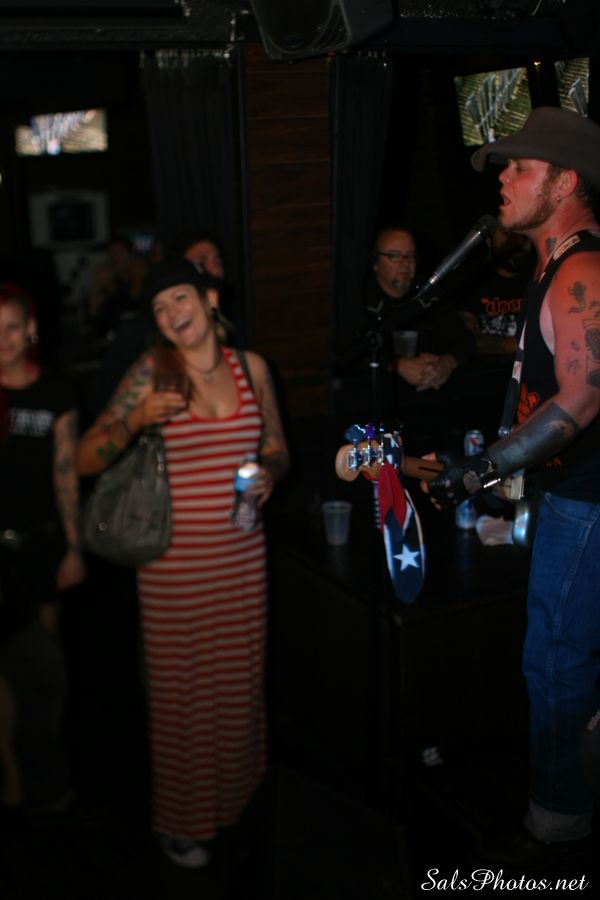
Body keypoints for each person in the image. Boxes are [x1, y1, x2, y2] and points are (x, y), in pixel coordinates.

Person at [421, 106, 600, 863]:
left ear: (564, 182)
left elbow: (581, 399)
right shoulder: (554, 266)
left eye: (520, 168)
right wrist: (501, 465)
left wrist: (481, 469)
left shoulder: (582, 270)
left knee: (557, 660)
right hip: (572, 495)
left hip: (588, 501)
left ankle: (556, 831)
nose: (503, 180)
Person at [75, 259, 290, 868]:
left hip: (243, 560)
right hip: (173, 567)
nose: (171, 313)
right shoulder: (154, 371)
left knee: (240, 688)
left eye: (179, 297)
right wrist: (135, 420)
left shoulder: (252, 369)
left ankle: (237, 804)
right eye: (160, 307)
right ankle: (180, 822)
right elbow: (86, 457)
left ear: (209, 297)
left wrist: (270, 474)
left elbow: (276, 446)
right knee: (182, 699)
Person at [0, 282, 86, 812]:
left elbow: (65, 475)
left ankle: (44, 761)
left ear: (29, 329)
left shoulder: (55, 392)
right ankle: (11, 773)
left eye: (11, 326)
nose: (3, 339)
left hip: (41, 547)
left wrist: (75, 548)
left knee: (46, 668)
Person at [333, 225, 475, 452]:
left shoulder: (429, 294)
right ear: (376, 262)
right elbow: (345, 354)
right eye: (394, 256)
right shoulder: (359, 300)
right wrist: (396, 365)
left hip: (430, 405)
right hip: (374, 410)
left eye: (410, 256)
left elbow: (465, 341)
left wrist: (447, 362)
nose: (404, 263)